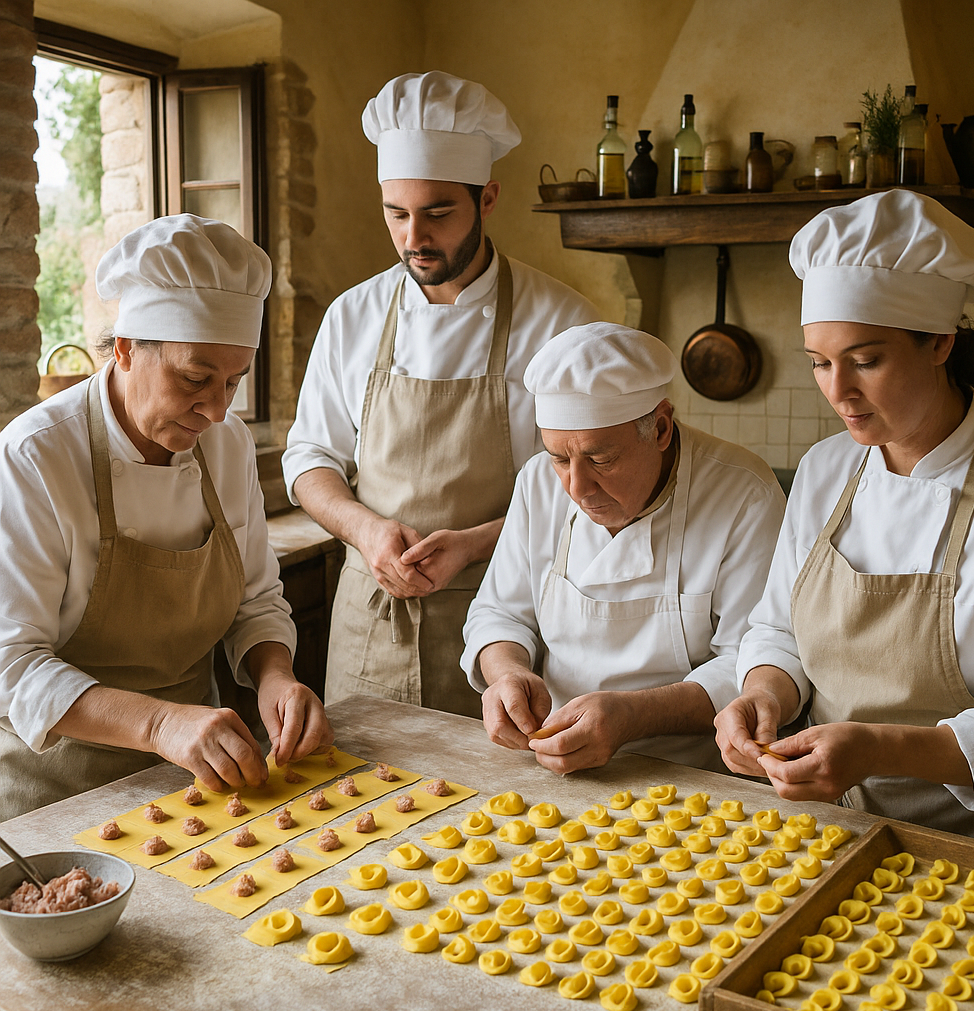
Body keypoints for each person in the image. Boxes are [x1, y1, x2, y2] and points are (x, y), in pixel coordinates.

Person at [282, 71, 597, 718]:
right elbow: (308, 458)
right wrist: (366, 531)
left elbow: (588, 489)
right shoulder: (352, 316)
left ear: (487, 200)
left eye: (437, 212)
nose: (413, 238)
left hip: (507, 616)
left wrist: (475, 542)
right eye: (395, 214)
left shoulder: (562, 323)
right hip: (371, 615)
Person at [715, 189, 974, 849]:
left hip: (972, 848)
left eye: (867, 360)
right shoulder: (827, 469)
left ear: (940, 341)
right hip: (827, 825)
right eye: (821, 363)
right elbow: (778, 628)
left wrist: (876, 747)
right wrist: (763, 693)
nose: (838, 391)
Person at [0, 214, 334, 821]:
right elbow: (12, 666)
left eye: (233, 382)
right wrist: (157, 722)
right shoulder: (36, 455)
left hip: (191, 784)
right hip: (56, 795)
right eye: (194, 379)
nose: (214, 409)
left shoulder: (225, 445)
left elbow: (256, 601)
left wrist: (277, 678)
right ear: (125, 349)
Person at [461, 322, 786, 773]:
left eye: (601, 459)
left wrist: (633, 717)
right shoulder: (536, 483)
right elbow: (499, 612)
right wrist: (507, 674)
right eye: (559, 458)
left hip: (691, 773)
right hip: (551, 760)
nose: (577, 487)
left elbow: (753, 663)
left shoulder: (744, 493)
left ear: (660, 429)